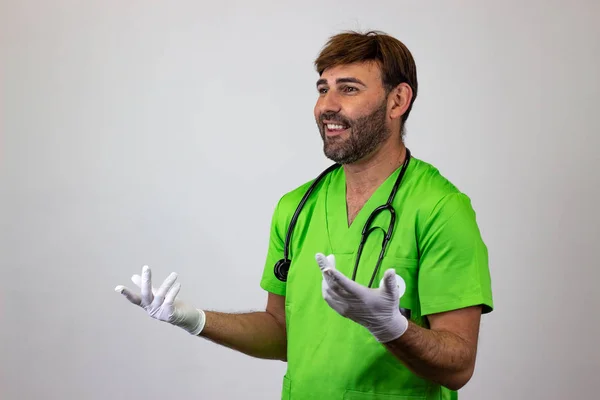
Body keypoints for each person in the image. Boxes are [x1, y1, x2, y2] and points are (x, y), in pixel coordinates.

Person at [115, 30, 494, 399]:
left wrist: (391, 327)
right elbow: (282, 332)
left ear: (397, 101)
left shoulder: (441, 209)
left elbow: (457, 366)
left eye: (348, 88)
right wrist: (194, 319)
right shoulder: (297, 207)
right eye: (322, 88)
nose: (327, 105)